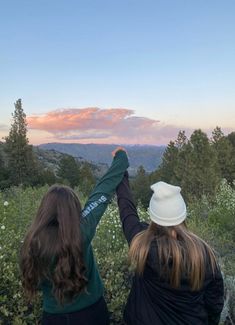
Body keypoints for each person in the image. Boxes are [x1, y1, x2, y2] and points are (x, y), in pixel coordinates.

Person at [20, 147, 129, 325]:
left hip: (53, 317)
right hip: (92, 314)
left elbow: (35, 280)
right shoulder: (81, 231)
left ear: (44, 211)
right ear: (73, 210)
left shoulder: (31, 242)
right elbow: (101, 192)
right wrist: (120, 157)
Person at [116, 171, 224, 325]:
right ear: (182, 215)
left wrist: (121, 172)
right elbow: (214, 303)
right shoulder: (204, 254)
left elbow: (127, 211)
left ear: (153, 216)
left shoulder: (142, 244)